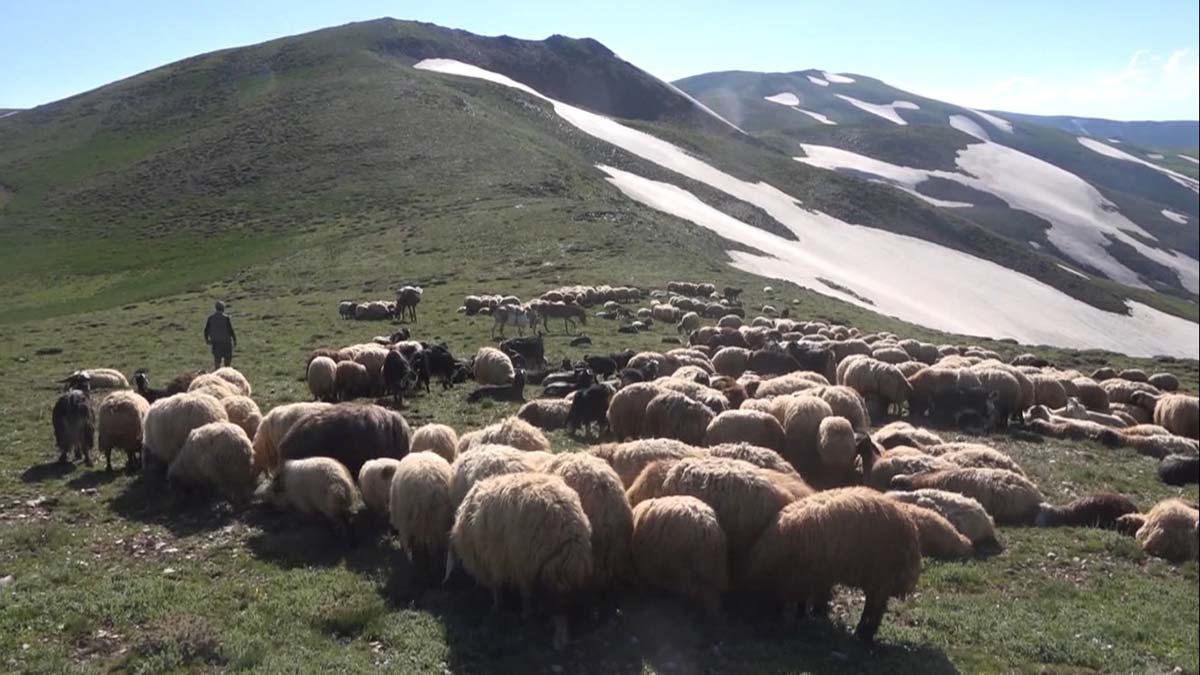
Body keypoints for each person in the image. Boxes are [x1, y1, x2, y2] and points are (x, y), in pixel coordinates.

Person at [204, 301, 237, 369]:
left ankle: (217, 374)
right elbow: (230, 330)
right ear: (223, 308)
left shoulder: (210, 318)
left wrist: (207, 340)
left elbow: (206, 330)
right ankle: (227, 373)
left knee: (217, 361)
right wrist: (234, 339)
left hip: (215, 342)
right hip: (226, 342)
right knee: (227, 361)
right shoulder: (226, 318)